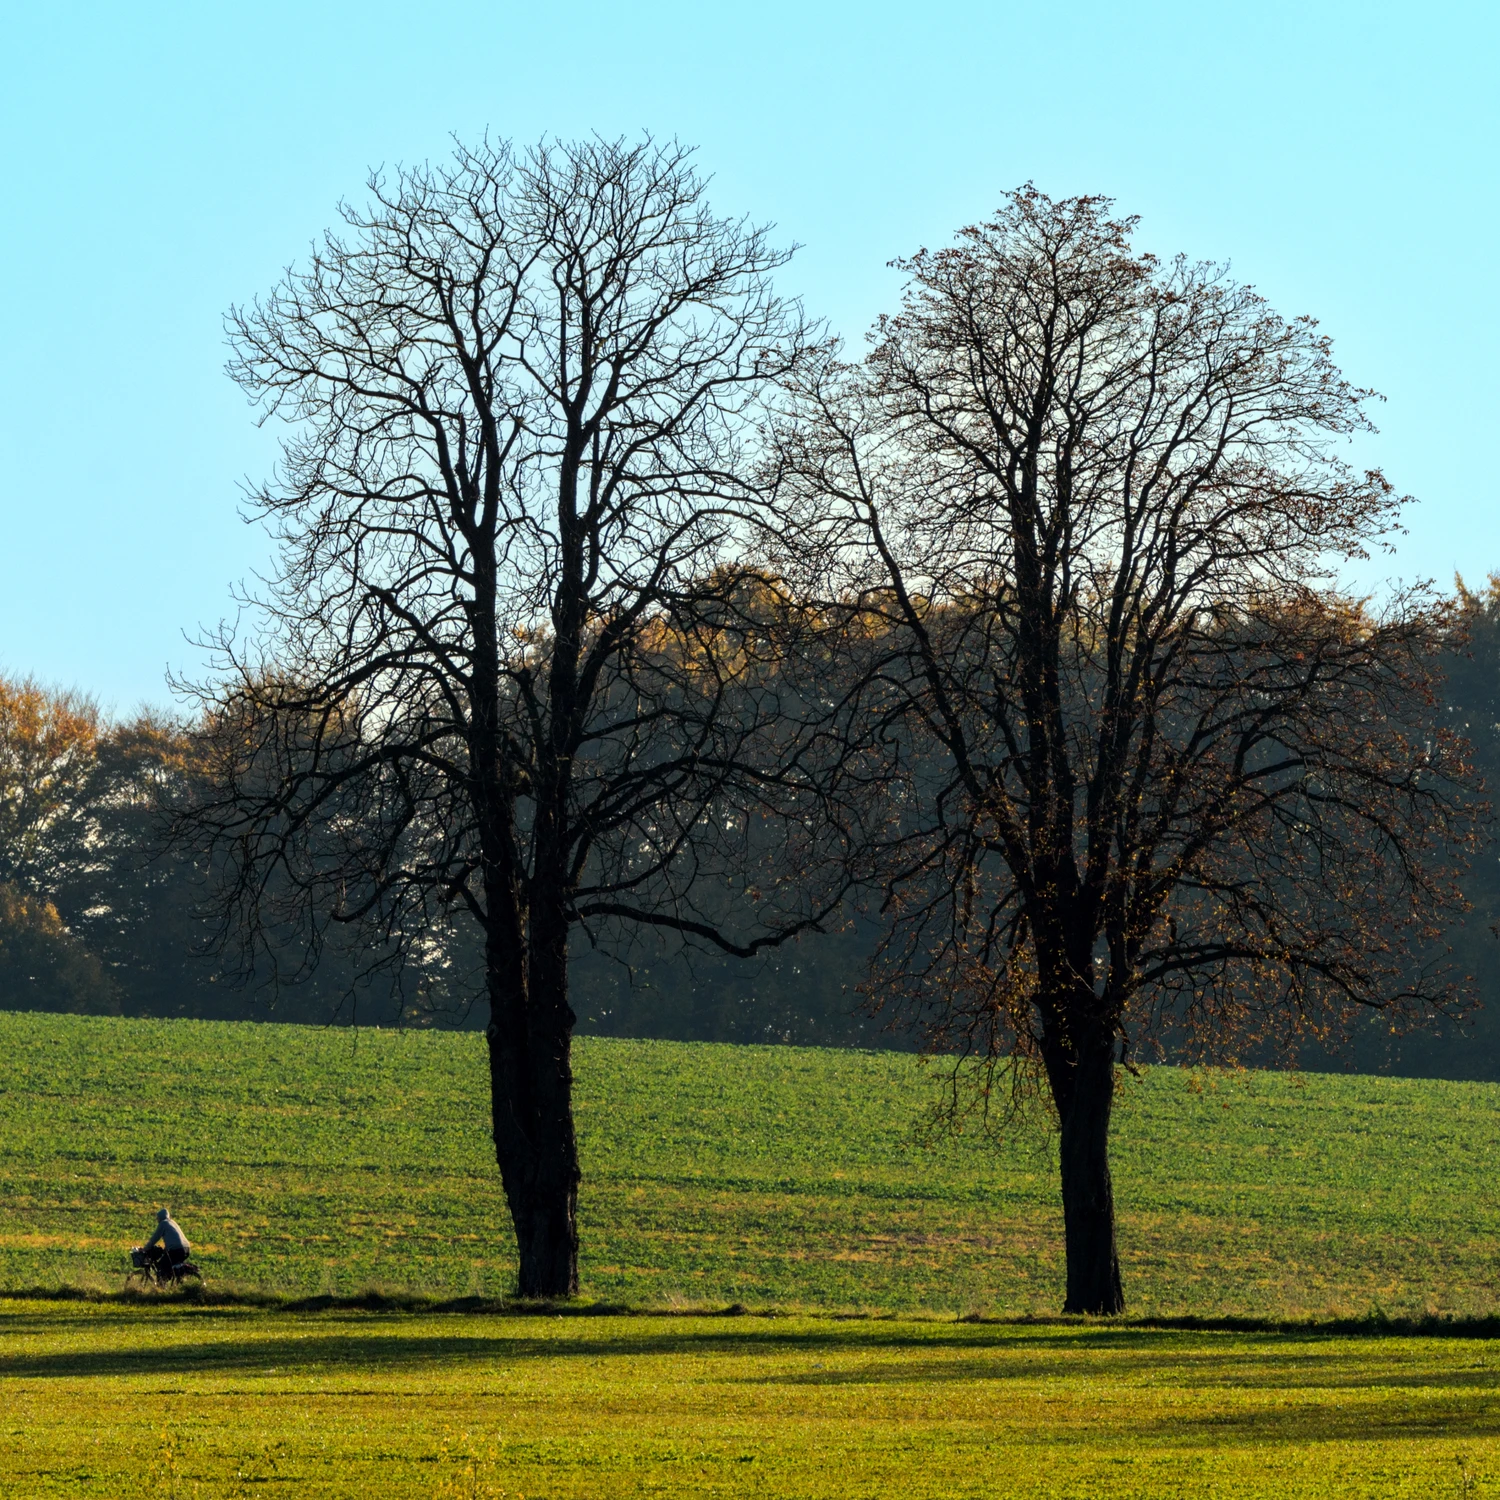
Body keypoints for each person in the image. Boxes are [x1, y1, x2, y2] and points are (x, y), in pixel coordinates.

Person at [141, 1208, 191, 1276]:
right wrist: (165, 1250)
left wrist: (145, 1248)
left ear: (160, 1217)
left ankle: (162, 1284)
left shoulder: (163, 1223)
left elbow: (154, 1238)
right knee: (169, 1266)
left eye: (158, 1218)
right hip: (186, 1248)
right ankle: (172, 1278)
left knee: (162, 1265)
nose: (157, 1220)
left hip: (176, 1250)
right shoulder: (172, 1222)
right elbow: (173, 1239)